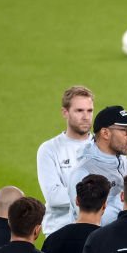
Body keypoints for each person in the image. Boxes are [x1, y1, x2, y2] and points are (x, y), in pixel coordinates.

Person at [37, 85, 95, 235]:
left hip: (96, 232)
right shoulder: (49, 149)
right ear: (65, 112)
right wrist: (96, 195)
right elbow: (53, 196)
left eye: (89, 111)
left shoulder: (102, 146)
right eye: (79, 111)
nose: (86, 116)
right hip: (59, 232)